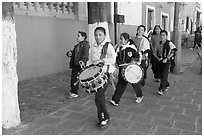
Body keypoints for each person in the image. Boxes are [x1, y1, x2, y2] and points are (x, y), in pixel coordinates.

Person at [86, 27, 116, 127]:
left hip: (105, 75)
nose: (97, 37)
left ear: (104, 35)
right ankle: (104, 116)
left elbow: (113, 59)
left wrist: (101, 60)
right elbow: (90, 60)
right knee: (99, 97)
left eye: (100, 35)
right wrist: (87, 67)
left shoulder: (108, 46)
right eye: (96, 35)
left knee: (99, 97)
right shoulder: (92, 47)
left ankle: (104, 117)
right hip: (95, 76)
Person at [109, 33, 143, 106]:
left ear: (127, 40)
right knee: (120, 84)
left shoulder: (132, 47)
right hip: (122, 69)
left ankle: (139, 95)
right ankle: (115, 100)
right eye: (120, 39)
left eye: (122, 39)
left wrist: (132, 62)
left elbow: (137, 56)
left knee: (134, 83)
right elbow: (117, 58)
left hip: (131, 69)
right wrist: (118, 65)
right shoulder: (120, 48)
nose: (120, 41)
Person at [66, 31, 90, 98]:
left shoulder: (85, 45)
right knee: (74, 78)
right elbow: (74, 53)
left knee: (83, 78)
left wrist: (83, 60)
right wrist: (69, 53)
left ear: (83, 37)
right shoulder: (77, 46)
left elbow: (86, 53)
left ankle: (77, 91)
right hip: (75, 65)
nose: (77, 37)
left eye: (79, 36)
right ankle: (73, 91)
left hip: (81, 64)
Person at [155, 30, 177, 95]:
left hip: (167, 61)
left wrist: (167, 58)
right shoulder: (159, 43)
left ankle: (161, 89)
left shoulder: (169, 43)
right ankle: (166, 84)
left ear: (166, 36)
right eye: (161, 35)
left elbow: (173, 51)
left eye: (163, 35)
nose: (162, 37)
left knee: (164, 74)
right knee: (161, 75)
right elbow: (156, 51)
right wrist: (158, 58)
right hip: (160, 61)